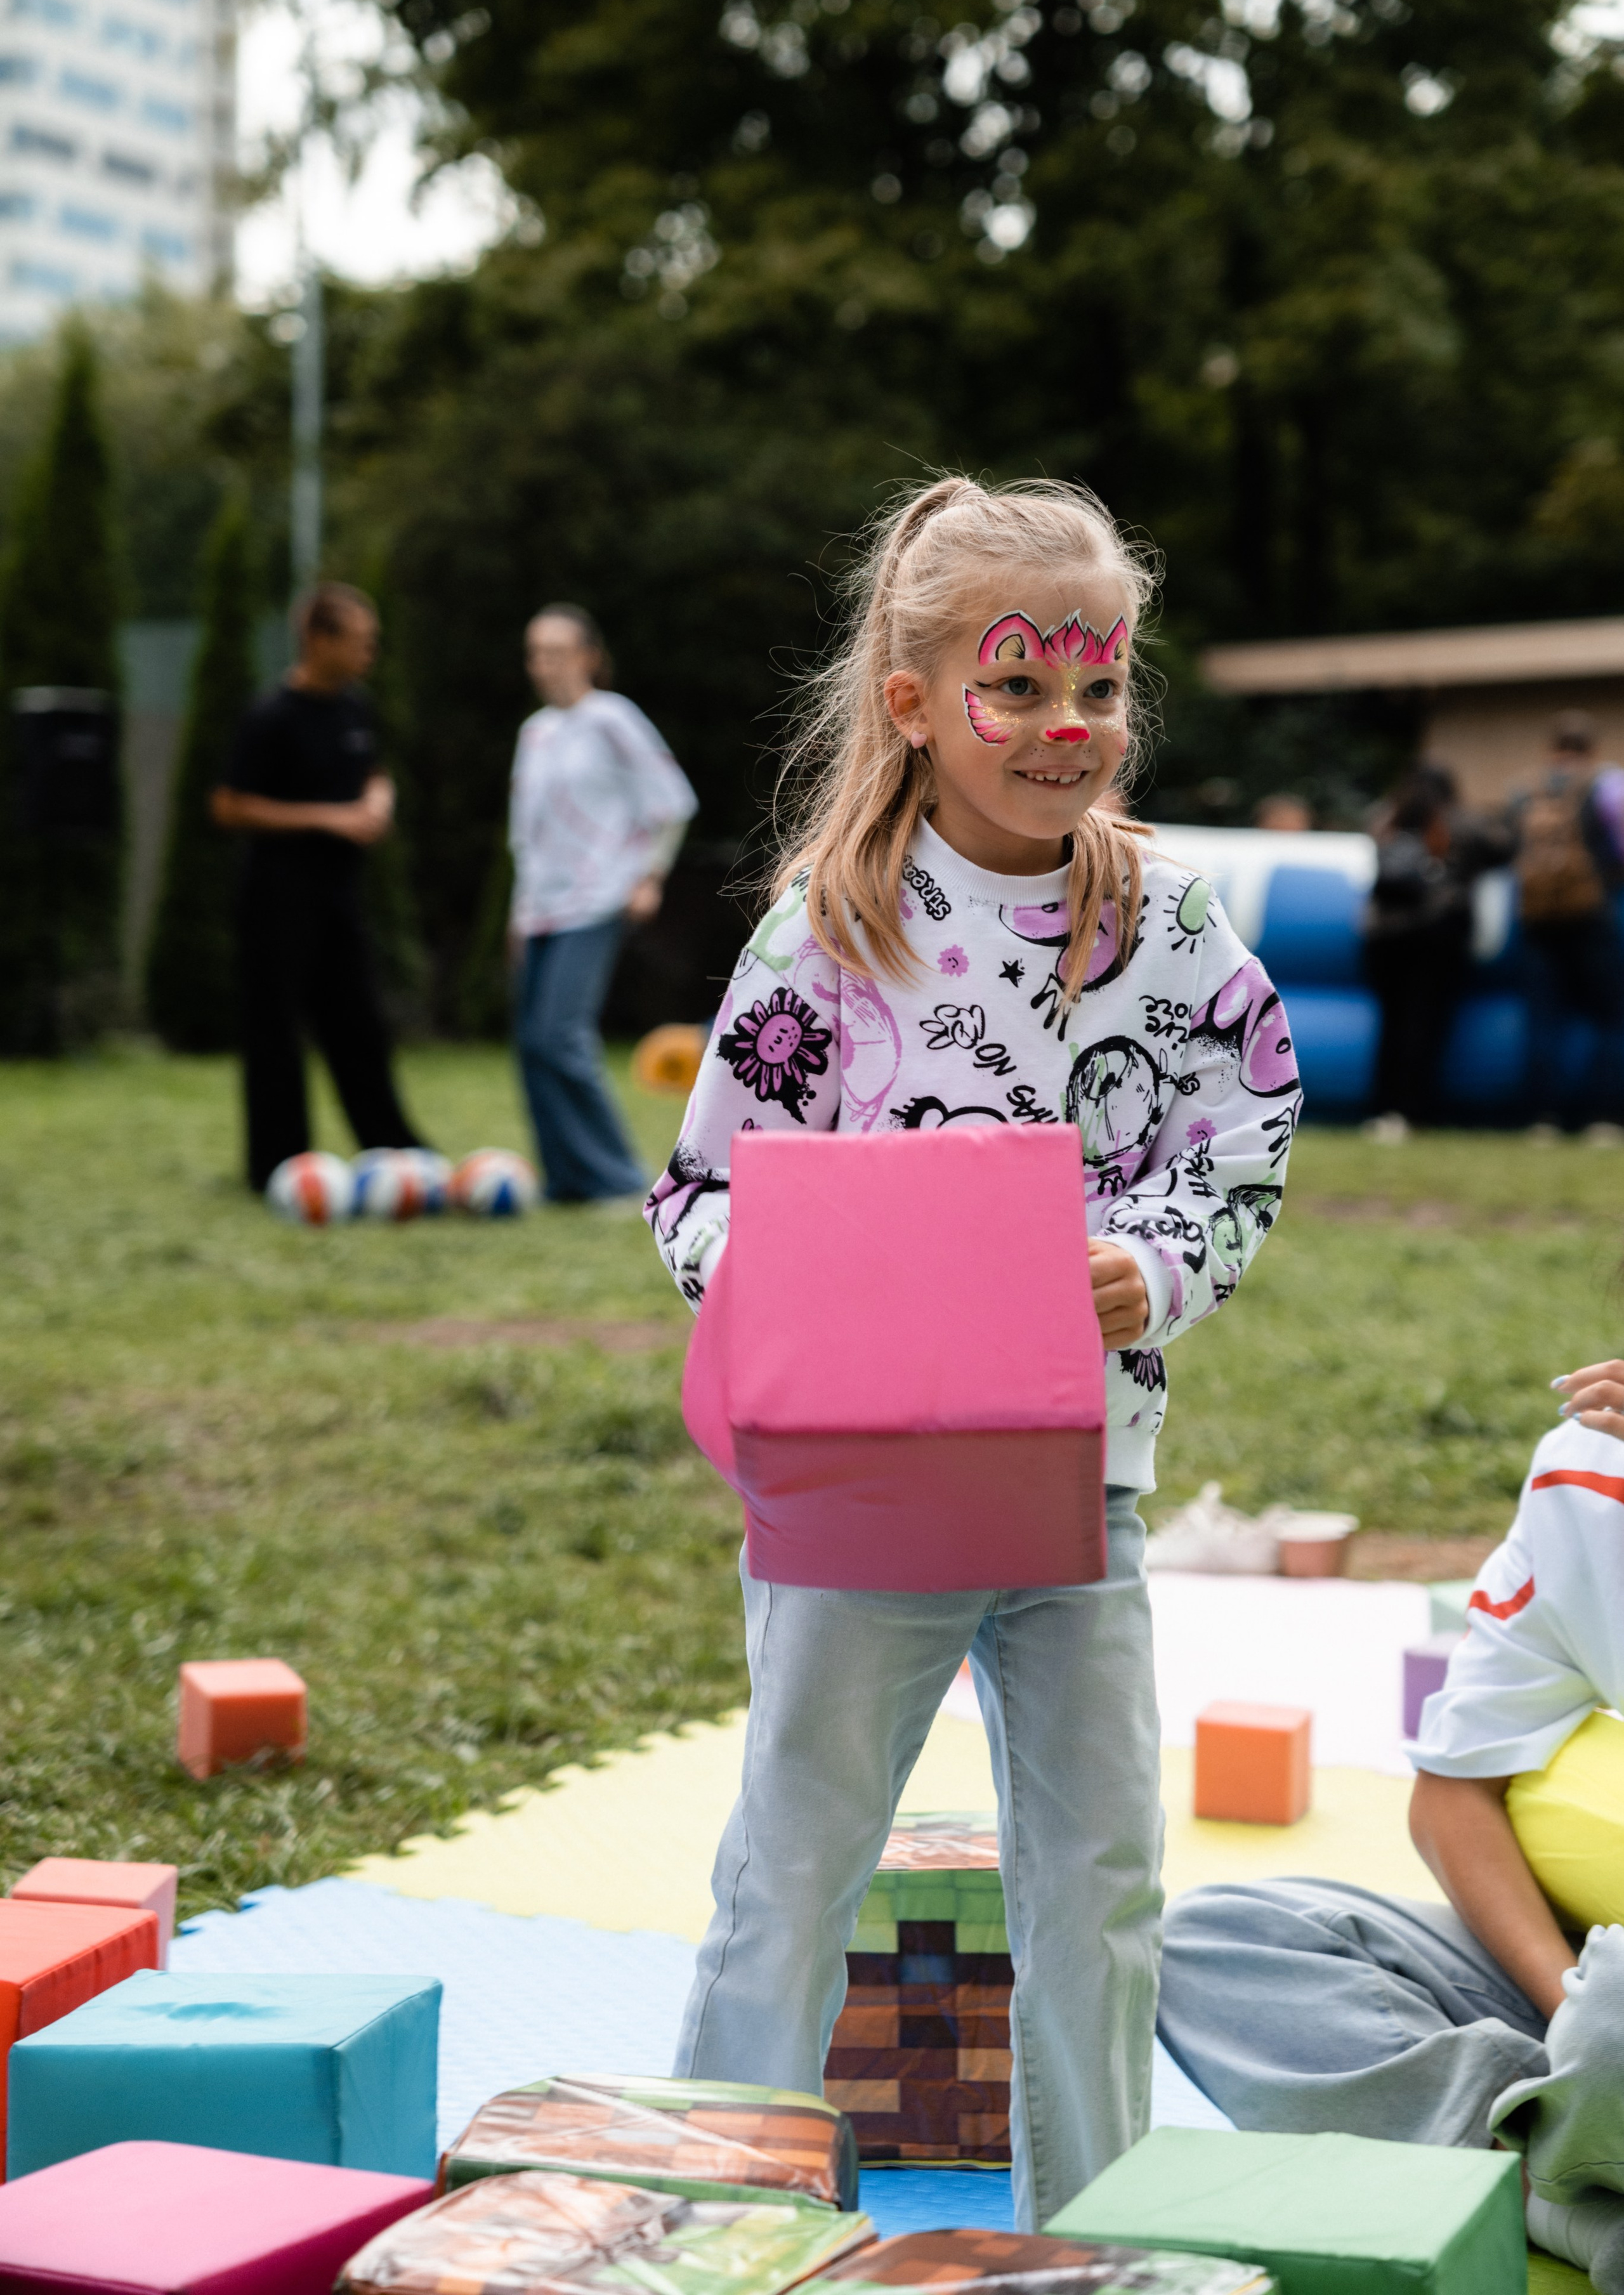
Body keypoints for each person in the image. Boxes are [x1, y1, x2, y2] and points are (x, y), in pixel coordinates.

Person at [644, 476, 1302, 2228]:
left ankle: (1095, 2233)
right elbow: (696, 1193)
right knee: (794, 1867)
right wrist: (825, 1288)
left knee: (1100, 1881)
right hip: (859, 1499)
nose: (1066, 726)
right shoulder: (828, 932)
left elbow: (1246, 1137)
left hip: (1082, 1487)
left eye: (1100, 687)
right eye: (1019, 687)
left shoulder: (1170, 923)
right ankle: (722, 2220)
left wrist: (1147, 1273)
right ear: (916, 702)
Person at [1156, 1356, 1624, 2287]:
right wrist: (1566, 2007)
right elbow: (1453, 1800)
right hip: (1593, 1984)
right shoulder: (1584, 1484)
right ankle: (1546, 2172)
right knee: (1220, 1941)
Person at [211, 582, 424, 1191]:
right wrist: (329, 818)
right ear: (318, 639)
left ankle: (394, 1151)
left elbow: (374, 769)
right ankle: (279, 1165)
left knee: (359, 1024)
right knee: (274, 1030)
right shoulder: (270, 716)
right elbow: (228, 806)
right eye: (360, 642)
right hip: (276, 896)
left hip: (339, 896)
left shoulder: (356, 707)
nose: (370, 654)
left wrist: (379, 797)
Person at [508, 603, 697, 1203]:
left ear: (589, 656)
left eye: (557, 652)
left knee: (561, 1035)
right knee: (531, 1045)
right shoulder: (534, 733)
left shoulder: (613, 719)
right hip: (540, 907)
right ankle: (565, 1179)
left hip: (595, 900)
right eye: (536, 653)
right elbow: (525, 832)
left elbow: (672, 800)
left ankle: (615, 1178)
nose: (545, 665)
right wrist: (518, 910)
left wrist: (649, 876)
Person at [1362, 762, 1500, 1138]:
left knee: (1392, 1024)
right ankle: (1414, 1109)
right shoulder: (1460, 823)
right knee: (1425, 1024)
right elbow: (1501, 849)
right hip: (1436, 937)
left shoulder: (1385, 819)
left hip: (1384, 939)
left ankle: (1383, 1108)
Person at [1512, 711, 1624, 1137]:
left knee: (1543, 1020)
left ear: (1552, 749)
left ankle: (1543, 1118)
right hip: (1591, 916)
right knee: (1612, 1017)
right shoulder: (1607, 786)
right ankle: (1604, 1116)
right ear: (1591, 750)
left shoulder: (1528, 790)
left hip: (1538, 920)